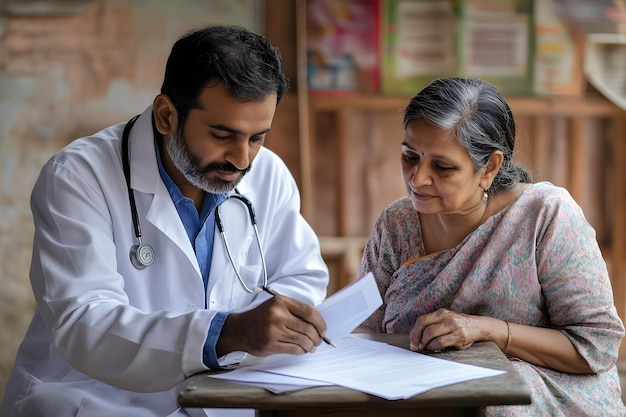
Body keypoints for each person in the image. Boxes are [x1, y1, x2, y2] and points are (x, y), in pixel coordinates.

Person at [0, 25, 329, 417]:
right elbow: (84, 322)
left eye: (257, 138)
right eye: (223, 135)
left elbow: (301, 280)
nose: (242, 160)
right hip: (97, 401)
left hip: (227, 397)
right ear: (166, 115)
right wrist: (225, 333)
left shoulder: (268, 174)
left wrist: (272, 327)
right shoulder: (78, 176)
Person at [358, 77, 626, 416]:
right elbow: (366, 332)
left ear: (490, 167)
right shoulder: (396, 225)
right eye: (410, 157)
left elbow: (595, 347)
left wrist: (489, 330)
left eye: (442, 167)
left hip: (538, 396)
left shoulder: (545, 216)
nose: (418, 178)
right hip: (425, 399)